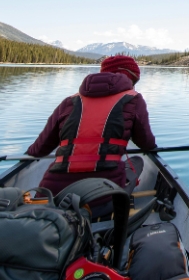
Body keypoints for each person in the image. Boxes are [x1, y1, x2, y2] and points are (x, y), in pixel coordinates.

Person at [26, 55, 157, 197]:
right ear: (129, 77)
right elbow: (146, 144)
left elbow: (38, 150)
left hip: (53, 192)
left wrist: (28, 154)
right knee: (137, 161)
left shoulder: (69, 101)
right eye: (134, 81)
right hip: (104, 194)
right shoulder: (133, 99)